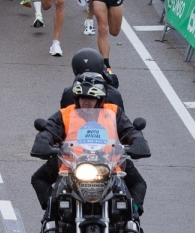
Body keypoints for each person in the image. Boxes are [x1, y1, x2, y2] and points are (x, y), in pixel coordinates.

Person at [30, 71, 149, 220]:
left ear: (100, 99)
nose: (86, 102)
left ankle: (133, 217)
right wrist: (44, 140)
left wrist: (136, 141)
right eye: (82, 97)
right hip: (71, 165)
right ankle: (51, 214)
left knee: (138, 184)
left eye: (91, 98)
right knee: (40, 181)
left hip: (110, 163)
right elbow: (49, 130)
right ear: (76, 97)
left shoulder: (113, 112)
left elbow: (129, 130)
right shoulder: (65, 114)